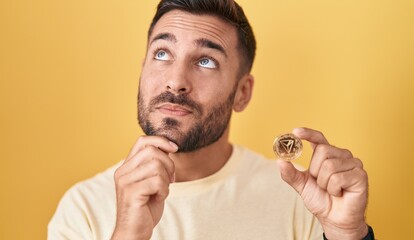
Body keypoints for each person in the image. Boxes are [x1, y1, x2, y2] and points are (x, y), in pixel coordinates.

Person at [48, 0, 375, 239]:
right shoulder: (83, 209)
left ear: (242, 93)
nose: (175, 81)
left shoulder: (302, 201)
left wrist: (348, 234)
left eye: (205, 60)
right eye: (162, 53)